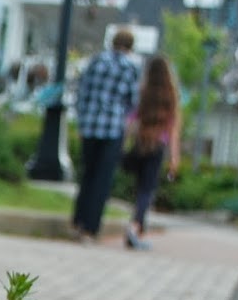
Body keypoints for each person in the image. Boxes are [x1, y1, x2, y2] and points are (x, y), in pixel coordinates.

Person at [71, 29, 141, 243]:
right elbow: (133, 101)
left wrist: (82, 122)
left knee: (87, 174)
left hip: (91, 126)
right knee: (103, 179)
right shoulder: (130, 67)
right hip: (112, 129)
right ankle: (91, 229)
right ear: (130, 46)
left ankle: (78, 221)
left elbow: (81, 92)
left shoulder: (96, 61)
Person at [124, 54, 183, 250]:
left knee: (140, 188)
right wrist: (174, 158)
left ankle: (136, 227)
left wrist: (124, 142)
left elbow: (131, 119)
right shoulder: (170, 96)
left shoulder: (144, 92)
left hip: (141, 144)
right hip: (157, 146)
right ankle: (135, 227)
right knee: (147, 190)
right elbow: (173, 130)